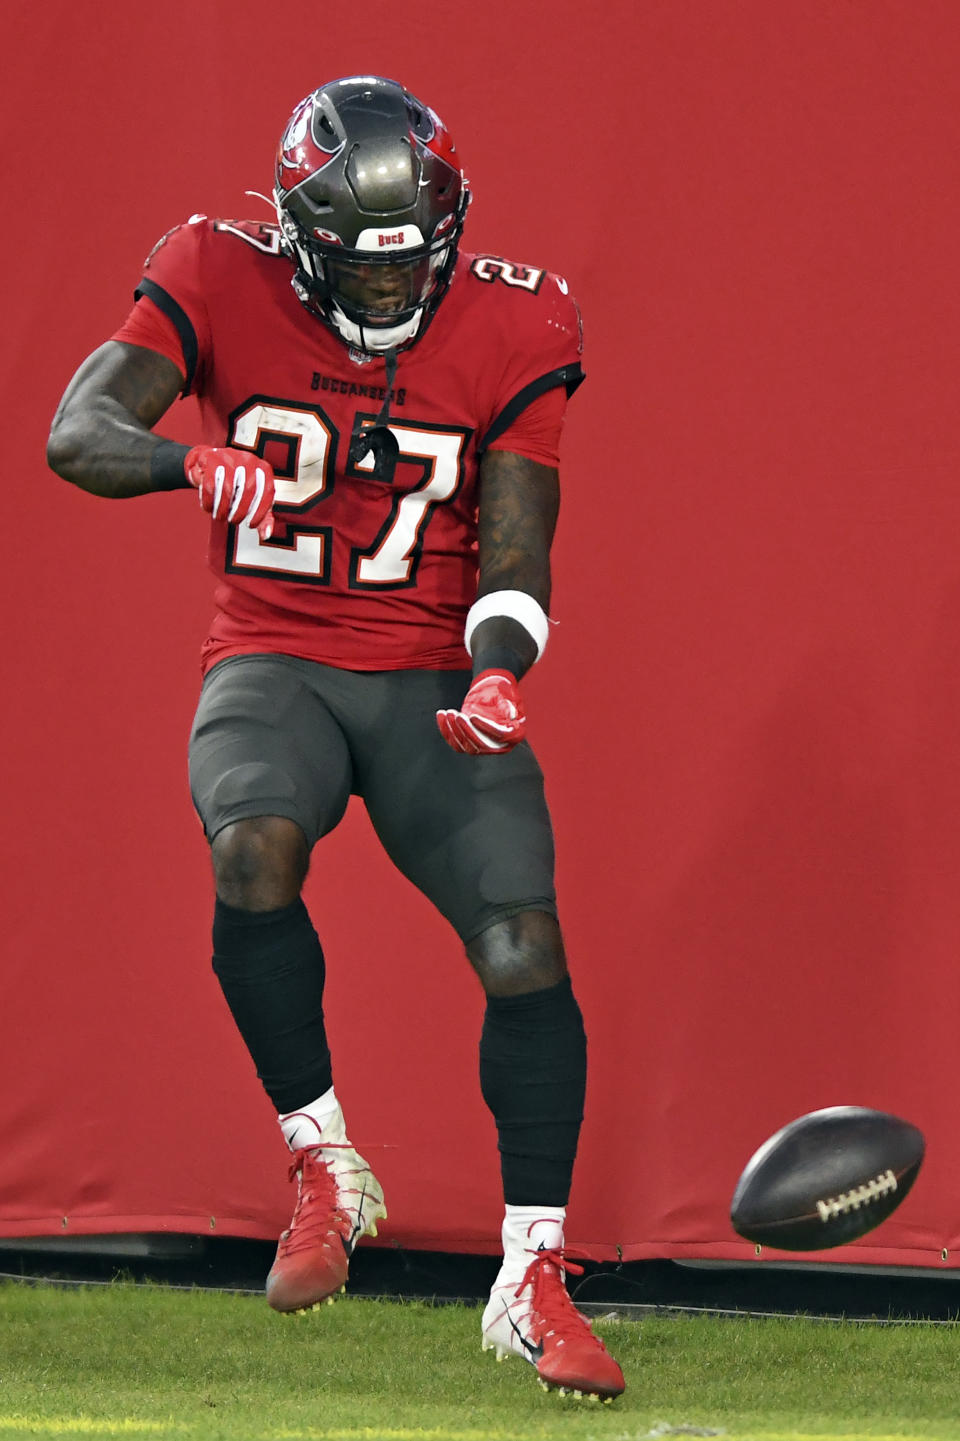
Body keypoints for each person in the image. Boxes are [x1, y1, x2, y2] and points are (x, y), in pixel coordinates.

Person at [47, 75, 624, 1402]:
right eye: (358, 272)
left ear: (450, 224)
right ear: (300, 237)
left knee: (526, 946)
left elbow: (519, 543)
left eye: (413, 260)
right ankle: (322, 1156)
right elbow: (78, 431)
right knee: (252, 847)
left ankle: (529, 1273)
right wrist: (186, 464)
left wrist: (497, 672)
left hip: (429, 665)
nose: (391, 294)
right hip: (275, 654)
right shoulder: (213, 269)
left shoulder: (517, 318)